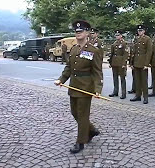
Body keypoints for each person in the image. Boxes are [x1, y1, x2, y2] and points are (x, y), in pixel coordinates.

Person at [54, 20, 103, 154]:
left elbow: (97, 72)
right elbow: (69, 68)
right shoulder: (74, 49)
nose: (78, 33)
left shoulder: (94, 51)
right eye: (76, 31)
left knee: (82, 115)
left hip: (86, 88)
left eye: (81, 31)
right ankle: (91, 130)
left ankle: (80, 142)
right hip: (74, 87)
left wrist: (97, 89)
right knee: (74, 113)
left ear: (87, 33)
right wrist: (61, 79)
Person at [130, 25, 152, 104]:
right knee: (137, 80)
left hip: (143, 62)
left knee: (144, 81)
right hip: (136, 62)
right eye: (139, 31)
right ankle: (138, 95)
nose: (139, 32)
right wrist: (131, 63)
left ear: (144, 31)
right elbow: (133, 51)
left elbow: (149, 52)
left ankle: (145, 97)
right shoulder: (136, 39)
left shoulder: (147, 39)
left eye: (141, 31)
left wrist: (146, 64)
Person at [108, 30, 129, 99]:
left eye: (118, 35)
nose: (117, 36)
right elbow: (112, 53)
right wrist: (110, 62)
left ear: (121, 36)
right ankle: (115, 91)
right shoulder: (114, 43)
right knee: (115, 78)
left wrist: (124, 63)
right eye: (116, 35)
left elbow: (125, 54)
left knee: (122, 78)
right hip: (114, 62)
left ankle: (123, 93)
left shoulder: (124, 43)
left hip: (121, 63)